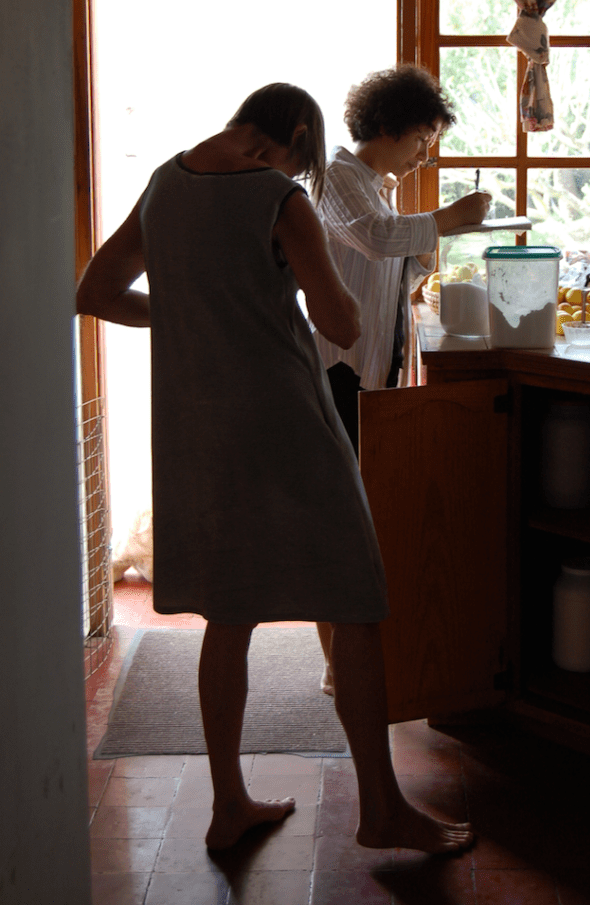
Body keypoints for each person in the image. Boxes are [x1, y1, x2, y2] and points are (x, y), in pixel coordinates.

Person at [75, 83, 474, 856]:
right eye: (300, 159)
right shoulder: (280, 199)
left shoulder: (164, 184)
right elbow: (340, 322)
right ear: (294, 135)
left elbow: (94, 292)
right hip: (291, 426)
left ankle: (230, 804)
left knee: (229, 615)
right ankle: (382, 810)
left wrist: (190, 310)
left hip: (202, 431)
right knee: (357, 599)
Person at [312, 65, 491, 692]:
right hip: (337, 373)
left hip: (369, 373)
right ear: (385, 126)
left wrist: (425, 254)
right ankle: (340, 666)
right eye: (421, 139)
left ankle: (352, 658)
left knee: (363, 517)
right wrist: (446, 221)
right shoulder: (339, 178)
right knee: (341, 523)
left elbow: (391, 273)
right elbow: (375, 239)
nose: (424, 155)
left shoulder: (376, 186)